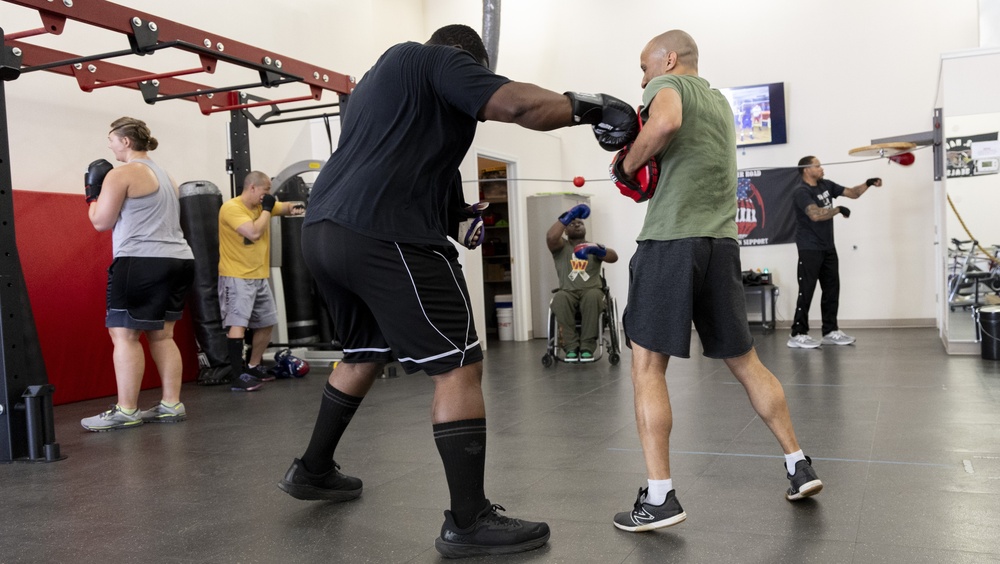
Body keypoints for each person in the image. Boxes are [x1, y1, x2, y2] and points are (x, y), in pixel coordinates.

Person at [275, 24, 638, 558]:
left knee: (364, 352)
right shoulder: (434, 60)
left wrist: (459, 216)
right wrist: (593, 106)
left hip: (324, 232)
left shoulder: (379, 88)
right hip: (384, 233)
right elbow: (517, 106)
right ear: (469, 61)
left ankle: (312, 469)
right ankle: (468, 521)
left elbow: (411, 166)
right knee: (459, 365)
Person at [608, 30, 823, 533]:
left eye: (645, 67)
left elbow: (664, 122)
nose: (642, 79)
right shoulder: (721, 104)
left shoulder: (671, 89)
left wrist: (627, 162)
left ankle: (659, 496)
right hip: (721, 244)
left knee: (647, 368)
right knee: (746, 362)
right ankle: (798, 463)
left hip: (670, 242)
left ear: (670, 58)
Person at [80, 117, 195, 431]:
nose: (110, 146)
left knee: (124, 334)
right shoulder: (166, 175)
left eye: (112, 140)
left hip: (142, 261)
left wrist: (92, 193)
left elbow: (101, 222)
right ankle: (172, 405)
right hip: (179, 260)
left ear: (125, 141)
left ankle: (127, 410)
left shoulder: (123, 174)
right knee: (163, 334)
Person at [217, 171, 304, 391]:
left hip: (259, 276)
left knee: (267, 322)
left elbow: (284, 207)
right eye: (266, 190)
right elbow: (254, 232)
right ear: (253, 188)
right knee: (238, 325)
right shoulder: (232, 208)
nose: (268, 195)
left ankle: (253, 366)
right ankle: (237, 377)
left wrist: (298, 207)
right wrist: (267, 208)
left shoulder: (260, 206)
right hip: (236, 276)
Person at [787, 156, 881, 349]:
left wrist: (868, 183)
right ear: (806, 169)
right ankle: (797, 333)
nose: (822, 169)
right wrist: (837, 209)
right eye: (818, 165)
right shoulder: (801, 191)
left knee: (831, 289)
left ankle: (830, 331)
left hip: (828, 246)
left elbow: (853, 193)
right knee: (807, 290)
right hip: (809, 247)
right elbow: (814, 214)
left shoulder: (826, 185)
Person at [545, 203, 618, 362]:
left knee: (593, 296)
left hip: (591, 290)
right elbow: (551, 237)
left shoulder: (592, 247)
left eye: (580, 223)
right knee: (559, 299)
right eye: (572, 223)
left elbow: (614, 257)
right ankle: (570, 347)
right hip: (568, 291)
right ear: (565, 230)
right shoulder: (561, 246)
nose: (577, 224)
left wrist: (600, 250)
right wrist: (567, 217)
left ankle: (587, 346)